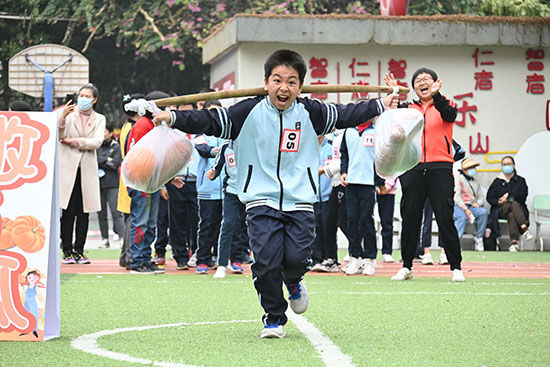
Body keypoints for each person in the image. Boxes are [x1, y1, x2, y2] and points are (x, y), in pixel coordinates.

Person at [153, 49, 398, 338]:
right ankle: (273, 317)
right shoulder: (246, 111)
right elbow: (208, 120)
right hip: (259, 199)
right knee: (266, 261)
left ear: (300, 86)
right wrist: (171, 117)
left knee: (295, 258)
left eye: (292, 82)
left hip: (301, 201)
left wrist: (381, 104)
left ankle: (294, 281)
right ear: (266, 82)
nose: (284, 88)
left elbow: (347, 114)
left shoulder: (312, 112)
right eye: (277, 80)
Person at [385, 68, 466, 282]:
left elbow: (450, 115)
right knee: (410, 218)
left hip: (440, 168)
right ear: (413, 88)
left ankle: (456, 267)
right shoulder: (408, 109)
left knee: (444, 218)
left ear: (436, 83)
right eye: (417, 80)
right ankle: (406, 265)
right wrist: (393, 92)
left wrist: (437, 95)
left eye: (426, 79)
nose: (422, 82)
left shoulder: (445, 105)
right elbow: (391, 118)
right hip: (412, 167)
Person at [58, 83, 105, 264]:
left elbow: (97, 142)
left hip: (86, 170)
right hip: (68, 170)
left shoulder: (100, 118)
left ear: (94, 100)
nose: (83, 99)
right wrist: (62, 117)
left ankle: (80, 250)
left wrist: (75, 141)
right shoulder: (68, 115)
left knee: (85, 212)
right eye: (81, 95)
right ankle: (67, 250)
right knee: (68, 211)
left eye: (87, 96)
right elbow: (59, 135)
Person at [125, 90, 169, 274]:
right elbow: (139, 155)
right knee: (141, 221)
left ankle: (144, 258)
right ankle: (136, 261)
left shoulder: (154, 125)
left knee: (151, 223)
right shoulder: (144, 125)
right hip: (142, 180)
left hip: (152, 180)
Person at [340, 119, 385, 276]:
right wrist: (344, 171)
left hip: (368, 183)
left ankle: (370, 258)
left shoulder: (376, 132)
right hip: (352, 182)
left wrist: (380, 182)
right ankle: (355, 256)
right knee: (352, 220)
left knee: (366, 220)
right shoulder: (349, 131)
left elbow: (380, 157)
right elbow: (343, 154)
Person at [208, 139, 250, 279]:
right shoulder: (226, 146)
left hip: (251, 192)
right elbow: (217, 167)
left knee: (252, 226)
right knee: (228, 225)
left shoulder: (253, 143)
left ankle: (242, 260)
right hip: (231, 192)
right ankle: (222, 265)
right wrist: (212, 174)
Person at [117, 93, 145, 269]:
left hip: (127, 177)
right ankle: (130, 257)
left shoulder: (126, 126)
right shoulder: (132, 129)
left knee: (131, 218)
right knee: (133, 220)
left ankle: (125, 256)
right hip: (132, 177)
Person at [486, 156, 533, 252]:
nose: (506, 166)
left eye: (509, 164)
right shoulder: (497, 181)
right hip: (500, 210)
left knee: (512, 212)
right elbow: (489, 197)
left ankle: (514, 244)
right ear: (501, 166)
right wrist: (498, 201)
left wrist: (508, 196)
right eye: (504, 164)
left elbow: (523, 195)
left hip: (517, 209)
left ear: (514, 165)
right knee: (512, 204)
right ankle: (524, 229)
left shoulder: (520, 181)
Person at [96, 124, 124, 249]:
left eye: (105, 131)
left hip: (112, 184)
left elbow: (116, 163)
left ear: (111, 133)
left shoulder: (115, 146)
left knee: (116, 212)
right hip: (98, 184)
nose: (103, 134)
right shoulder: (96, 146)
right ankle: (104, 239)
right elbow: (94, 161)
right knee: (101, 214)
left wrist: (103, 161)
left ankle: (122, 238)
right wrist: (106, 159)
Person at [453, 157, 489, 251]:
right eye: (470, 167)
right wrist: (465, 209)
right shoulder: (458, 179)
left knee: (483, 212)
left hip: (472, 206)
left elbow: (481, 196)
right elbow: (456, 196)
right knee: (461, 217)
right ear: (464, 169)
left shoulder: (475, 182)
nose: (473, 170)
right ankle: (455, 243)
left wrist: (478, 203)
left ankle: (479, 237)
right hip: (459, 206)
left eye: (473, 167)